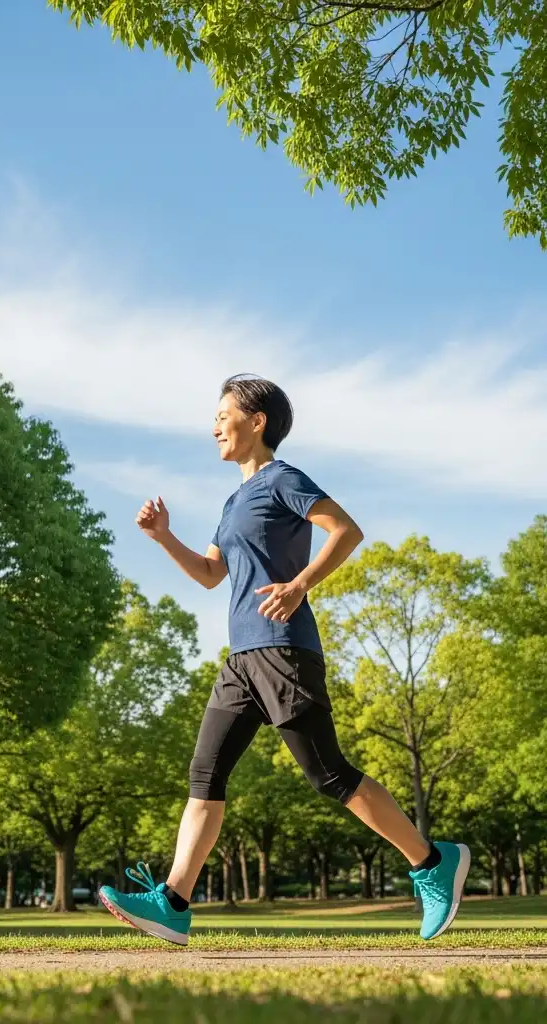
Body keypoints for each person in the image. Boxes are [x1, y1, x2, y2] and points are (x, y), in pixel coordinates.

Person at [97, 374, 469, 946]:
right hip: (242, 658)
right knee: (205, 775)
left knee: (329, 774)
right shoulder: (233, 501)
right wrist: (163, 537)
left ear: (257, 421)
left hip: (284, 648)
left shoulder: (282, 479)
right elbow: (210, 574)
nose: (214, 426)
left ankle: (432, 863)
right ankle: (173, 903)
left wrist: (299, 585)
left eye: (222, 414)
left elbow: (346, 531)